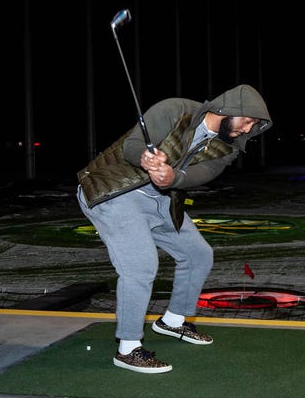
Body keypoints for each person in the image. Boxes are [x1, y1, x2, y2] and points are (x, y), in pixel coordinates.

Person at [76, 84, 272, 374]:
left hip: (160, 200)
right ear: (231, 110)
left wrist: (173, 177)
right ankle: (128, 348)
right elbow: (131, 146)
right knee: (141, 267)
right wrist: (145, 157)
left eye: (254, 125)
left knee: (198, 255)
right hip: (115, 193)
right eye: (248, 121)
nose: (248, 129)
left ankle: (173, 321)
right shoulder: (175, 110)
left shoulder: (229, 145)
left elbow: (205, 172)